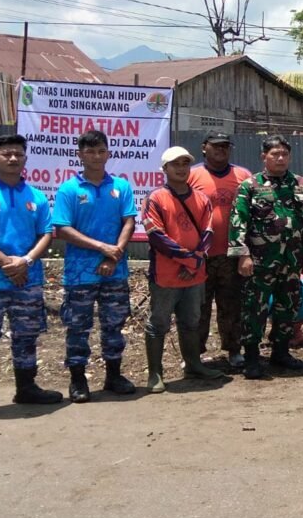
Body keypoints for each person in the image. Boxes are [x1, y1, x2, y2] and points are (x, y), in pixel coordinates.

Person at [0, 134, 61, 421]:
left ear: (25, 159)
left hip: (27, 280)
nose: (12, 158)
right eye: (6, 153)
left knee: (27, 337)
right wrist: (8, 263)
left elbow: (46, 234)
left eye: (18, 154)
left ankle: (26, 387)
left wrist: (26, 261)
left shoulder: (36, 197)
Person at [52, 130, 138, 402]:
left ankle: (114, 375)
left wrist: (113, 256)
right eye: (90, 151)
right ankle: (78, 381)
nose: (96, 156)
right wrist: (102, 248)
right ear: (80, 154)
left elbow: (129, 221)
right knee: (78, 328)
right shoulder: (69, 189)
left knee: (114, 325)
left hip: (115, 270)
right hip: (80, 273)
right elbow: (62, 229)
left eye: (101, 150)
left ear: (108, 153)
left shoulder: (121, 187)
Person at [229, 134, 303, 379]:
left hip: (291, 261)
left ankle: (281, 352)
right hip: (259, 262)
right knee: (254, 309)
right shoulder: (250, 186)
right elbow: (238, 222)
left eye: (284, 154)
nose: (280, 158)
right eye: (275, 154)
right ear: (264, 157)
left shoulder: (301, 185)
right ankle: (251, 358)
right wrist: (242, 255)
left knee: (288, 306)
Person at [140, 146, 224, 393]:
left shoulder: (201, 199)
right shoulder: (155, 198)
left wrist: (195, 260)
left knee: (191, 322)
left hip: (195, 274)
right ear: (164, 169)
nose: (181, 168)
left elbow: (209, 232)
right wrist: (190, 260)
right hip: (166, 275)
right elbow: (156, 236)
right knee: (158, 323)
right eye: (175, 164)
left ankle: (193, 364)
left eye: (185, 164)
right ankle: (155, 373)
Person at [188, 130, 252, 368]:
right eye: (215, 146)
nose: (221, 150)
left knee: (232, 305)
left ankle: (234, 350)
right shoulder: (192, 175)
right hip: (200, 255)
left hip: (232, 255)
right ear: (204, 147)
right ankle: (195, 354)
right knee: (198, 307)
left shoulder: (242, 175)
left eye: (225, 146)